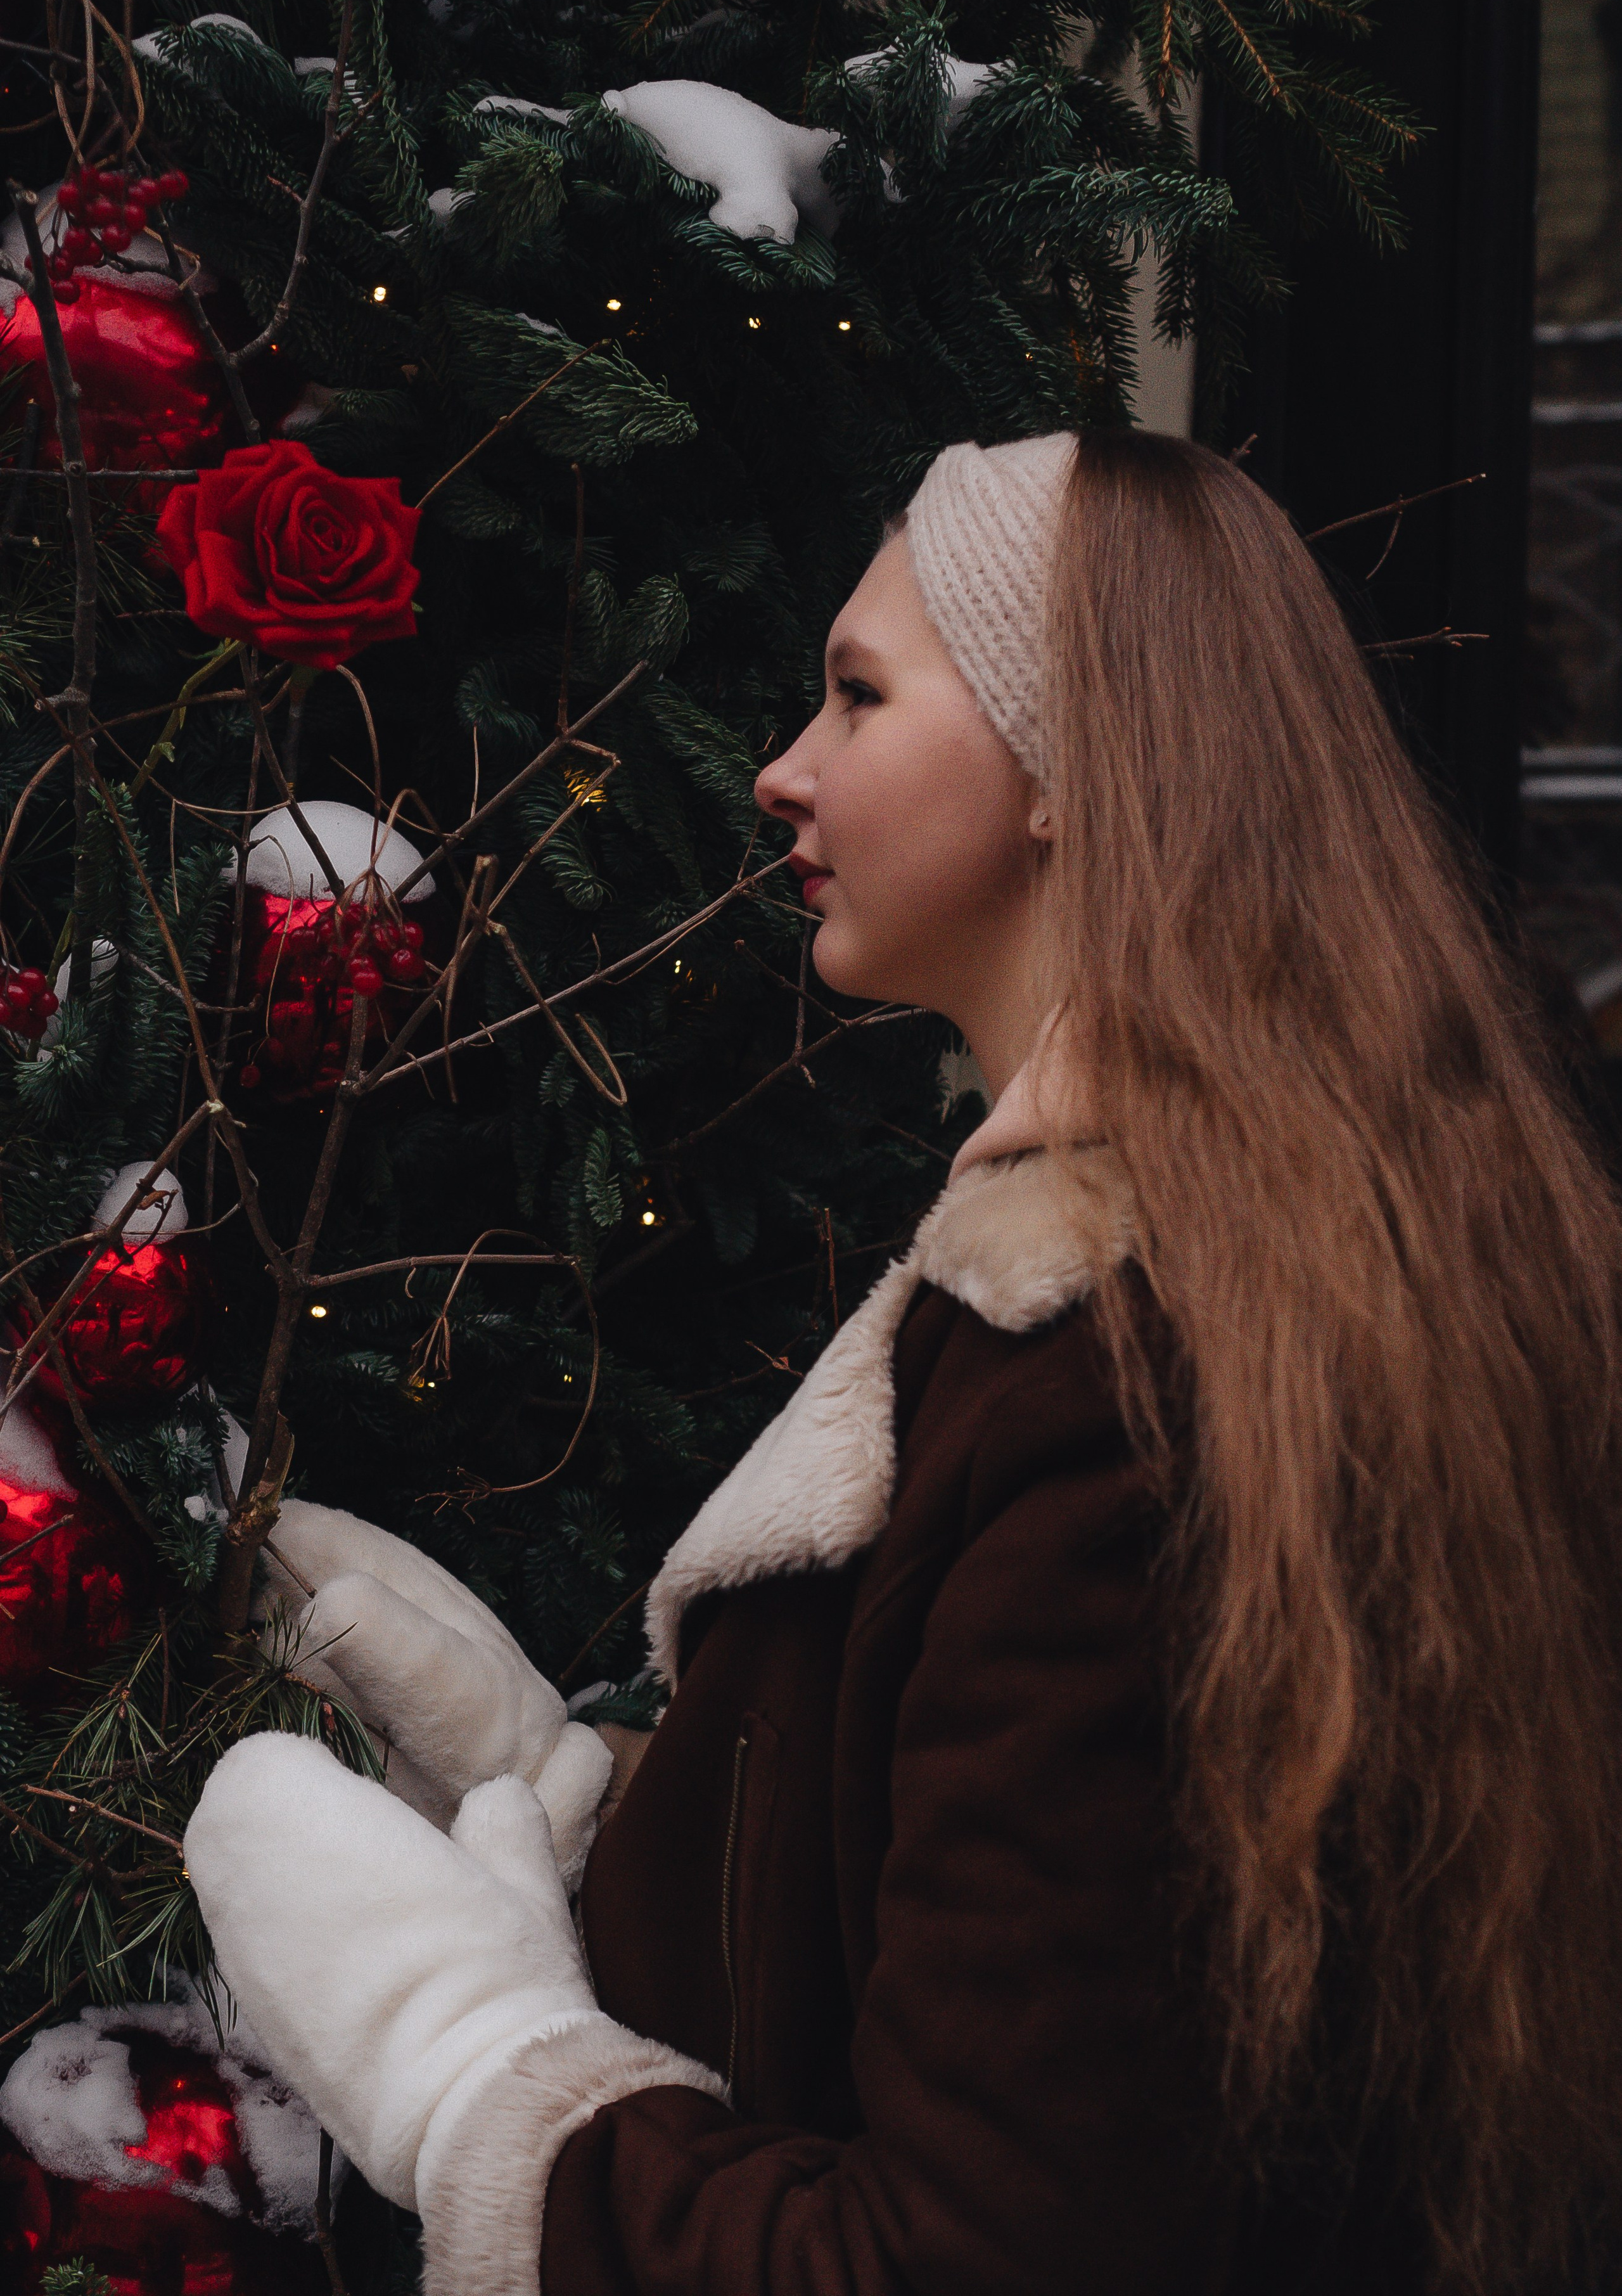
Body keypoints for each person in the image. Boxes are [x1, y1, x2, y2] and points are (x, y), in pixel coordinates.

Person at [183, 431, 1622, 2296]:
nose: (783, 769)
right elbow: (995, 1939)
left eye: (860, 696)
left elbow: (981, 2248)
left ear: (1072, 765)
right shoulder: (1181, 1286)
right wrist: (589, 1796)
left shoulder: (1128, 1393)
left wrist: (471, 2085)